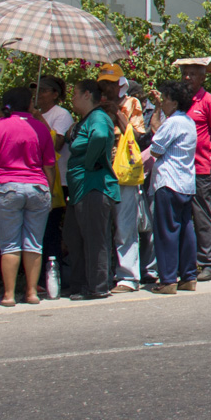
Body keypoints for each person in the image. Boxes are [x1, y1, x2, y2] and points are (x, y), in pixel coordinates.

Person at [0, 85, 55, 308]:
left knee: (9, 245)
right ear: (28, 104)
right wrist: (50, 190)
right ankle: (31, 293)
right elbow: (49, 165)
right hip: (37, 188)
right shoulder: (39, 128)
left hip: (6, 187)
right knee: (33, 244)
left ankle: (9, 295)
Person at [139, 79, 198, 294]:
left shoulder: (173, 123)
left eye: (165, 99)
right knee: (185, 229)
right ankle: (188, 275)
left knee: (166, 231)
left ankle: (168, 279)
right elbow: (159, 131)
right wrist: (157, 107)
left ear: (174, 102)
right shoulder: (188, 122)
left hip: (168, 182)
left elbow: (155, 148)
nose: (163, 102)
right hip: (185, 183)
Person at [62, 80, 119, 299]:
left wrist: (90, 162)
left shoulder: (98, 117)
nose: (72, 98)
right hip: (80, 189)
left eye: (74, 93)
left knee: (95, 238)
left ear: (87, 95)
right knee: (74, 236)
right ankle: (80, 285)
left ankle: (97, 286)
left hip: (94, 187)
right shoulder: (84, 120)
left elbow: (102, 136)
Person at [174, 57, 211, 282]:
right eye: (185, 73)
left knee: (202, 216)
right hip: (178, 169)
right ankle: (184, 263)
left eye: (192, 74)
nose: (187, 77)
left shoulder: (208, 101)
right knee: (180, 217)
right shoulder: (180, 100)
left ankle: (208, 263)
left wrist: (205, 150)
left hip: (200, 168)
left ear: (203, 77)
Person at [110, 72, 151, 292]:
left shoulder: (131, 103)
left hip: (123, 171)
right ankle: (105, 273)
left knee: (125, 225)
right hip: (102, 170)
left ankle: (128, 276)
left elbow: (138, 136)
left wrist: (117, 114)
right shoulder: (96, 104)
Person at [34, 75, 72, 298]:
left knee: (51, 230)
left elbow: (56, 144)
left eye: (43, 90)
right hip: (38, 178)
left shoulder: (61, 114)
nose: (38, 94)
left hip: (59, 181)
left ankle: (53, 275)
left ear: (55, 94)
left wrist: (39, 118)